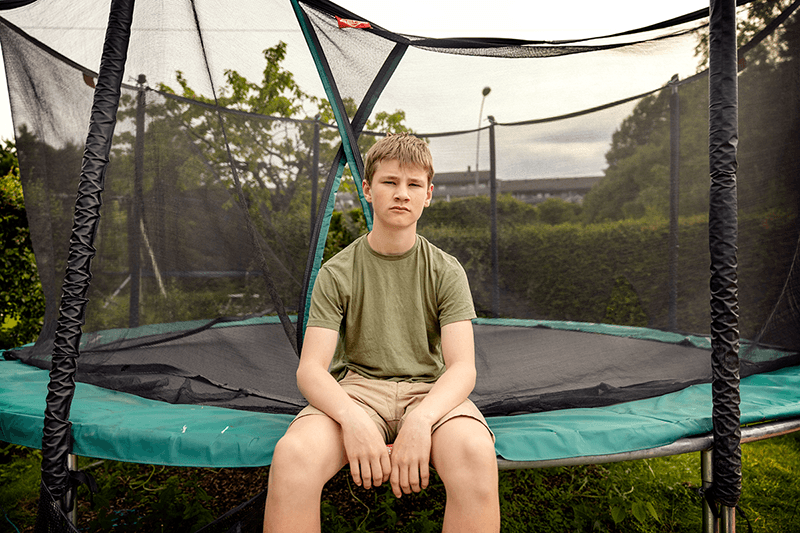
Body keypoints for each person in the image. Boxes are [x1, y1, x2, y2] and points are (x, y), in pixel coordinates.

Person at [263, 133, 500, 533]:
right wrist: (351, 418)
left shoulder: (445, 270)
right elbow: (311, 370)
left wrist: (422, 419)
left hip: (428, 392)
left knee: (476, 453)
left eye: (413, 185)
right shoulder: (337, 272)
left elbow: (462, 368)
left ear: (428, 195)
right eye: (390, 182)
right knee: (293, 456)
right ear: (368, 190)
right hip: (357, 391)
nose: (401, 194)